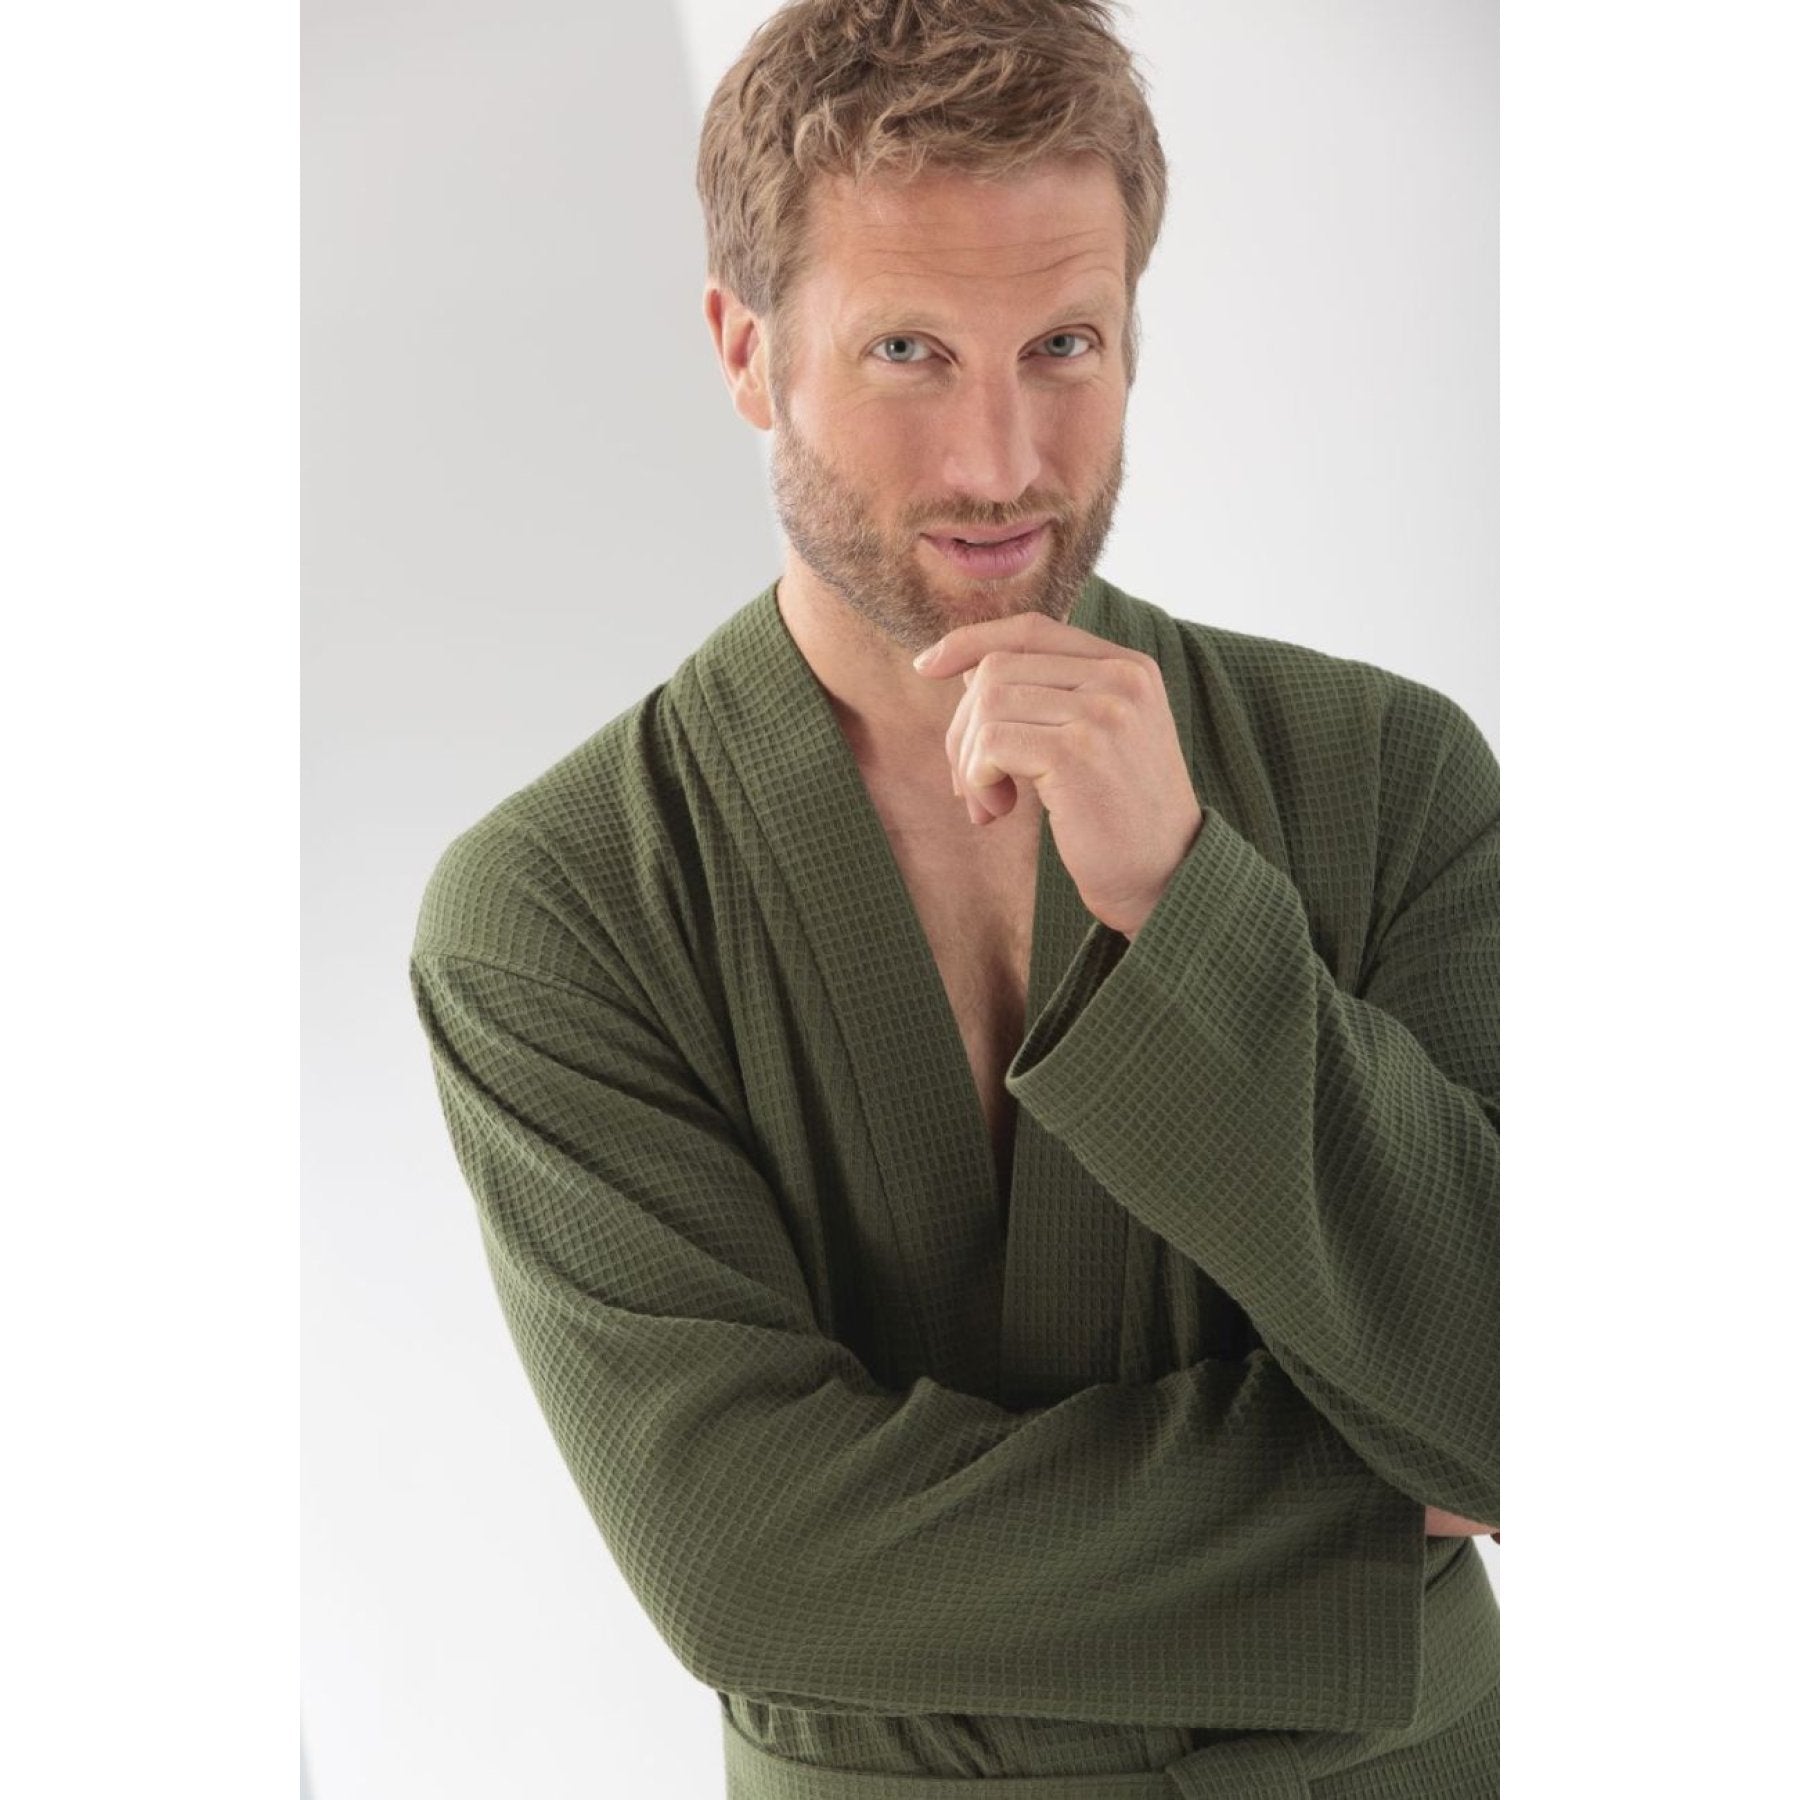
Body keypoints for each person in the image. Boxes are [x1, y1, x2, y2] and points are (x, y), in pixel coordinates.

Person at [408, 2, 1500, 1793]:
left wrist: (1188, 910)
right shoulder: (557, 912)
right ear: (747, 351)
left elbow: (1528, 1396)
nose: (1001, 461)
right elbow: (751, 1570)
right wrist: (1375, 1518)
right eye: (908, 351)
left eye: (1064, 344)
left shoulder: (1389, 775)